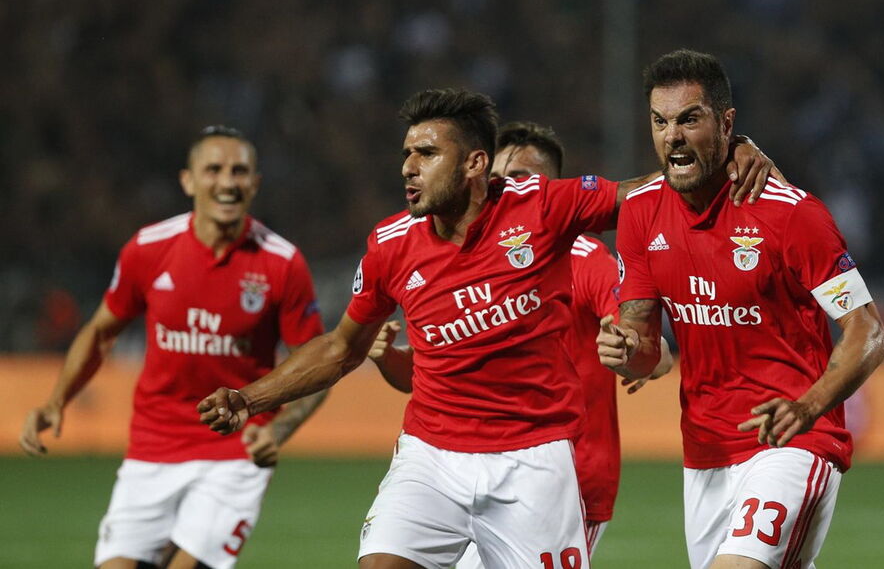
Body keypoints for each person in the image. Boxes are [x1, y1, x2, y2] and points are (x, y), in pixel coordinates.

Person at [197, 88, 775, 569]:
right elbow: (339, 348)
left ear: (474, 163)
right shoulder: (390, 246)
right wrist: (248, 398)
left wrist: (726, 154)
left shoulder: (541, 209)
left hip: (536, 461)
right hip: (432, 455)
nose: (408, 167)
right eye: (407, 153)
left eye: (426, 153)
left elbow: (640, 194)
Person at [597, 50, 884, 569]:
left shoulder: (791, 214)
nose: (673, 136)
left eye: (689, 119)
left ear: (726, 123)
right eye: (660, 122)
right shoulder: (641, 214)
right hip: (705, 452)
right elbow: (642, 348)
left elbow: (868, 331)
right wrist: (624, 352)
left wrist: (807, 406)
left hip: (792, 444)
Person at [365, 120, 675, 567]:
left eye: (523, 179)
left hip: (566, 473)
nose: (507, 188)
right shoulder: (469, 262)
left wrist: (637, 350)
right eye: (501, 177)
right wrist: (389, 359)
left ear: (551, 188)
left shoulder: (583, 257)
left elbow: (649, 346)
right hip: (477, 466)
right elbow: (421, 379)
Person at [20, 125, 328, 569]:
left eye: (239, 171)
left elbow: (317, 365)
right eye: (214, 169)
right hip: (153, 445)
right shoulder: (148, 249)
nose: (227, 181)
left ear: (255, 184)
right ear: (188, 180)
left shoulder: (281, 262)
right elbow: (101, 331)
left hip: (233, 450)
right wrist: (56, 400)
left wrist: (278, 429)